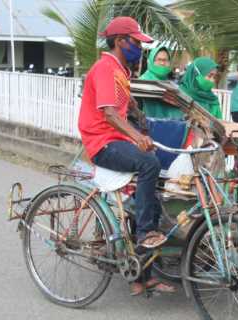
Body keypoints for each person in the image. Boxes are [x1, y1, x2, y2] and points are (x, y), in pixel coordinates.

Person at [77, 16, 175, 296]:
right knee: (149, 163)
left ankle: (141, 276)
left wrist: (139, 115)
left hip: (116, 139)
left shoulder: (121, 70)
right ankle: (145, 233)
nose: (140, 48)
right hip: (102, 142)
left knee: (150, 199)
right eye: (136, 42)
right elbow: (108, 112)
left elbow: (123, 104)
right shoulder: (105, 68)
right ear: (121, 41)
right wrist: (136, 136)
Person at [139, 46, 184, 120]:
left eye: (166, 60)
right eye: (159, 60)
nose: (162, 63)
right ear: (151, 61)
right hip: (145, 127)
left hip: (169, 127)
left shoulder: (171, 85)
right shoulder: (142, 81)